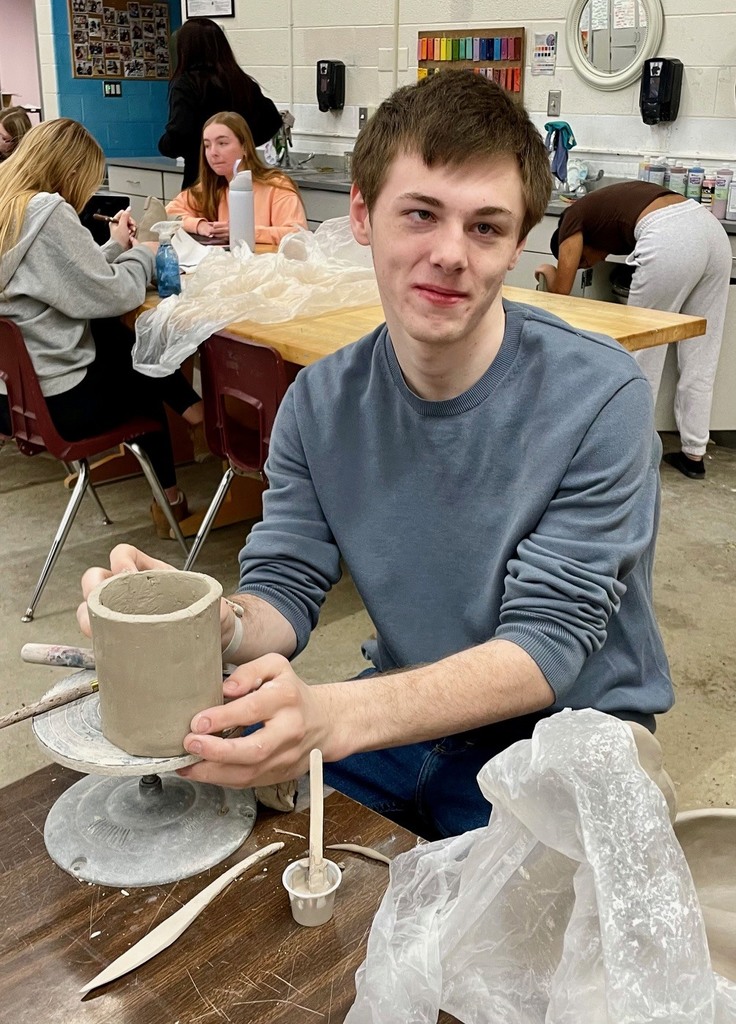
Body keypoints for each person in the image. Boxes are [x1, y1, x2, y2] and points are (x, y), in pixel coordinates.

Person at [79, 71, 674, 841]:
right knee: (231, 849)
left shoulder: (598, 396)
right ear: (362, 215)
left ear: (518, 243)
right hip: (405, 713)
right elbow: (285, 588)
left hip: (565, 736)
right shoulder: (320, 402)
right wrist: (214, 622)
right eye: (420, 214)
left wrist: (333, 715)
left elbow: (547, 646)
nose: (450, 254)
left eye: (486, 227)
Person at [0, 118, 204, 538]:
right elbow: (115, 295)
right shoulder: (47, 211)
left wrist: (114, 246)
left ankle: (191, 417)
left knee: (114, 339)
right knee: (140, 368)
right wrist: (146, 253)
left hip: (12, 401)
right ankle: (174, 492)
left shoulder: (10, 206)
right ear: (72, 170)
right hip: (58, 406)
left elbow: (66, 280)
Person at [536, 181, 731, 479]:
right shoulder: (602, 213)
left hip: (671, 234)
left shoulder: (571, 218)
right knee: (702, 352)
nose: (586, 265)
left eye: (582, 261)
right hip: (711, 230)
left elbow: (561, 292)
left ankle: (630, 456)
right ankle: (694, 453)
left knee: (641, 353)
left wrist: (549, 272)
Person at [158, 17, 282, 190]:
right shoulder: (241, 82)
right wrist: (241, 145)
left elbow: (179, 133)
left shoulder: (187, 84)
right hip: (240, 177)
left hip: (202, 178)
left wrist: (165, 146)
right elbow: (272, 120)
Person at [166, 111, 306, 245]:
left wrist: (243, 233)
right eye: (207, 145)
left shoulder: (277, 186)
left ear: (245, 147)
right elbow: (168, 213)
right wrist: (199, 225)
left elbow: (298, 235)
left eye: (222, 143)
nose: (213, 152)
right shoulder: (211, 187)